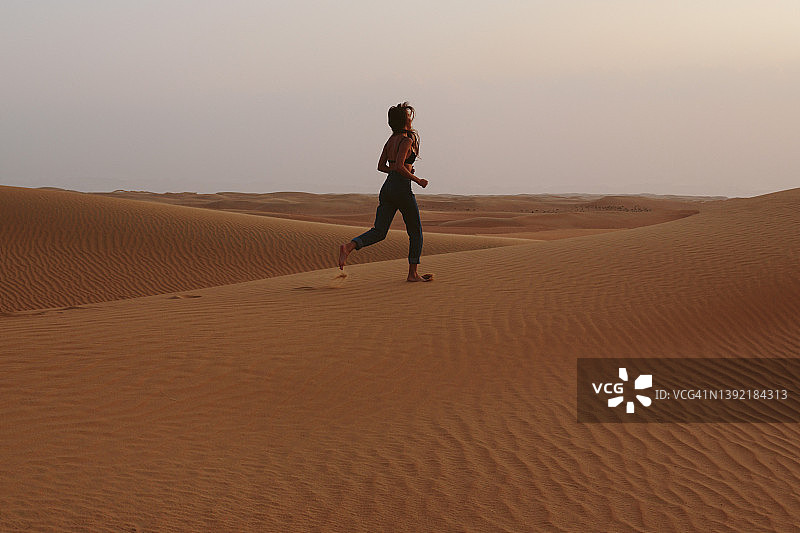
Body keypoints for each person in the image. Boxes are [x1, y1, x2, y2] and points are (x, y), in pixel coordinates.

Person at [337, 102, 434, 282]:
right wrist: (417, 179)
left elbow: (382, 166)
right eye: (408, 117)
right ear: (404, 122)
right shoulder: (406, 140)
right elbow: (398, 165)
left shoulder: (390, 141)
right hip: (401, 189)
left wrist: (400, 170)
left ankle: (350, 246)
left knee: (379, 231)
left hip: (388, 187)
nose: (411, 120)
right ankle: (412, 274)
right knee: (415, 232)